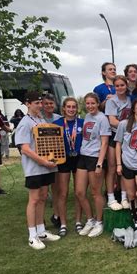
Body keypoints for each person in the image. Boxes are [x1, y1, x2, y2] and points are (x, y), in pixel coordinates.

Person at [15, 91, 60, 249]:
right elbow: (25, 149)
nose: (40, 106)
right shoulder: (25, 122)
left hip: (45, 167)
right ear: (28, 104)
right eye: (36, 103)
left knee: (42, 198)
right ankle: (32, 235)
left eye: (41, 103)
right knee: (33, 200)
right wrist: (43, 162)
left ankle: (41, 231)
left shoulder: (40, 119)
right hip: (34, 168)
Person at [75, 93, 111, 238]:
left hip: (95, 158)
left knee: (96, 192)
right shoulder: (87, 117)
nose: (90, 106)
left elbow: (105, 143)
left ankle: (99, 222)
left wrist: (100, 163)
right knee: (79, 192)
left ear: (97, 103)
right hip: (83, 156)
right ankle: (90, 219)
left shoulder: (102, 119)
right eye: (87, 103)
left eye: (92, 103)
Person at [115, 99, 137, 230]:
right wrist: (119, 164)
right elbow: (118, 144)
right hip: (127, 163)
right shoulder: (124, 124)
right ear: (134, 110)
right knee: (131, 195)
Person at [52, 97, 84, 236]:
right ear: (63, 108)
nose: (71, 109)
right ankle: (63, 223)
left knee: (79, 192)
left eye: (74, 107)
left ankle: (78, 221)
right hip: (63, 159)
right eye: (68, 107)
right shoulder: (56, 124)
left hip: (79, 158)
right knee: (63, 193)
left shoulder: (82, 122)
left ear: (77, 109)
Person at [105, 75, 132, 210]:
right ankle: (111, 198)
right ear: (114, 87)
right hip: (115, 136)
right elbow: (112, 120)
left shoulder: (129, 99)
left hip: (127, 138)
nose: (120, 88)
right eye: (117, 86)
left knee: (124, 167)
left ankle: (124, 197)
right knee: (112, 168)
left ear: (126, 85)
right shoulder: (112, 101)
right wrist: (127, 127)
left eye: (122, 85)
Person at [41, 93, 62, 228]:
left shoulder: (59, 119)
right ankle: (40, 220)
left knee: (56, 189)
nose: (49, 106)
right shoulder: (38, 119)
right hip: (41, 158)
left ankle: (56, 215)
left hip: (56, 158)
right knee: (42, 192)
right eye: (46, 103)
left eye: (51, 103)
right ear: (42, 104)